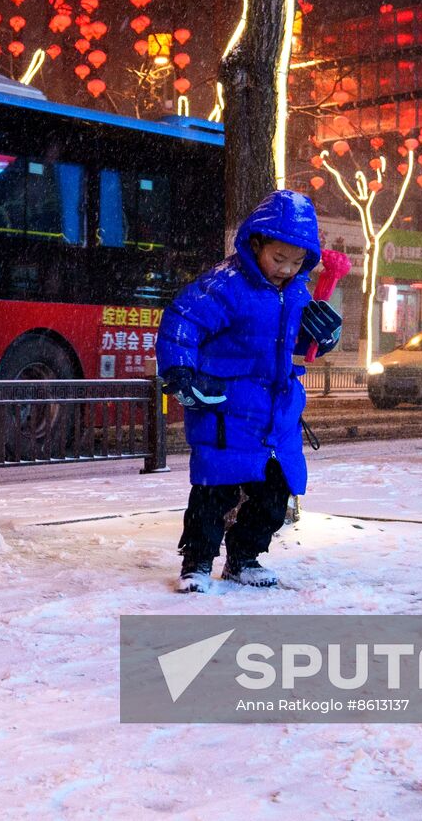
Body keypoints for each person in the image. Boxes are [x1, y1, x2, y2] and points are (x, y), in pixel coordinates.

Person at [157, 190, 343, 593]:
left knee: (275, 492)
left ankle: (245, 558)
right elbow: (182, 321)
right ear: (256, 242)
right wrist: (182, 372)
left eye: (297, 263)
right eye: (279, 259)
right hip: (227, 406)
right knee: (214, 490)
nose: (286, 270)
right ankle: (197, 563)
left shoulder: (296, 291)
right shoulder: (224, 286)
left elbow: (295, 343)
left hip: (277, 412)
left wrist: (321, 338)